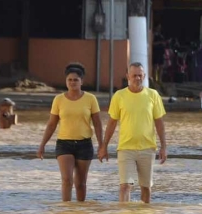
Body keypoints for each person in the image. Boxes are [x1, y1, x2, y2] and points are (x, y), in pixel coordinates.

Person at [98, 62, 167, 203]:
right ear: (127, 76)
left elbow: (159, 123)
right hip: (125, 148)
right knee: (125, 186)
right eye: (134, 75)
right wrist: (104, 146)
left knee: (146, 187)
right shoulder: (119, 96)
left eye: (140, 75)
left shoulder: (153, 95)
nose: (137, 78)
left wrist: (164, 146)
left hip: (147, 148)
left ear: (144, 76)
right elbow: (112, 123)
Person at [37, 62, 103, 202]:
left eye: (76, 80)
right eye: (70, 80)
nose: (72, 82)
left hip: (84, 144)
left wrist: (102, 145)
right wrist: (42, 144)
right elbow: (51, 124)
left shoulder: (90, 99)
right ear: (66, 81)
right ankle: (66, 212)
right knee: (67, 180)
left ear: (81, 81)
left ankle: (80, 213)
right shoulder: (59, 99)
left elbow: (97, 124)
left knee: (81, 184)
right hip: (64, 144)